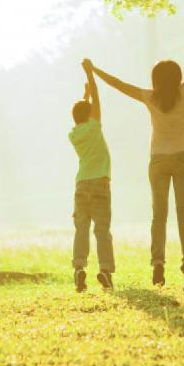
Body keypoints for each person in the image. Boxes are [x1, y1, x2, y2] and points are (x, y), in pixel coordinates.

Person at [86, 20, 184, 286]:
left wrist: (94, 70)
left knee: (159, 214)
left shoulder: (149, 97)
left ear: (155, 80)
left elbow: (119, 84)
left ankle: (157, 264)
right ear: (178, 77)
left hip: (158, 160)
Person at [68, 62, 114, 292]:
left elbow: (82, 112)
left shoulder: (74, 134)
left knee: (82, 229)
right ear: (90, 115)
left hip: (81, 185)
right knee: (102, 230)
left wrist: (84, 96)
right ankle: (105, 270)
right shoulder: (95, 127)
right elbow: (97, 100)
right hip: (99, 184)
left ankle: (79, 268)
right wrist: (90, 74)